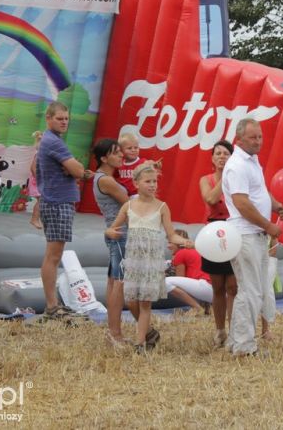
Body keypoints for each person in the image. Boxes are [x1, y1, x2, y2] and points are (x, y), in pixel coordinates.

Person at [106, 164, 193, 353]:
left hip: (151, 260)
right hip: (134, 260)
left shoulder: (162, 207)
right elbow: (112, 228)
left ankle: (140, 344)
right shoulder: (128, 206)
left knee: (145, 302)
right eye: (148, 181)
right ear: (136, 183)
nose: (152, 185)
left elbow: (171, 235)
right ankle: (149, 333)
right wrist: (111, 232)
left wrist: (185, 242)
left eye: (155, 181)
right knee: (131, 301)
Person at [222, 118, 283, 356]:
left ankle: (238, 340)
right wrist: (268, 225)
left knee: (254, 290)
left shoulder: (251, 162)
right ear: (239, 138)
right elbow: (242, 203)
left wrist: (275, 204)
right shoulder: (237, 164)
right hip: (246, 233)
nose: (258, 141)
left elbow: (258, 191)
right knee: (250, 290)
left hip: (254, 233)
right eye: (253, 137)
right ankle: (243, 344)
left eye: (260, 136)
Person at [37, 101, 94, 320]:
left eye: (66, 118)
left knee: (54, 255)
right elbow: (79, 171)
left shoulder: (49, 140)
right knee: (53, 256)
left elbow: (37, 168)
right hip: (57, 202)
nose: (64, 122)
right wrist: (76, 170)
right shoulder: (54, 142)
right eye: (59, 118)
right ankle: (52, 306)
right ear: (49, 118)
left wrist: (73, 169)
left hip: (54, 200)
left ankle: (52, 305)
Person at [92, 138, 132, 347]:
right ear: (104, 158)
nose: (120, 156)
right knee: (119, 283)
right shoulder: (106, 180)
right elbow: (129, 204)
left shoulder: (103, 178)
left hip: (116, 232)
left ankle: (113, 332)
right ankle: (114, 333)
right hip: (119, 233)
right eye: (116, 153)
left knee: (113, 282)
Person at [198, 140, 238, 347]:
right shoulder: (205, 179)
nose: (222, 156)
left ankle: (234, 331)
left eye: (226, 153)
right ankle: (219, 330)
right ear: (212, 159)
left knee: (233, 285)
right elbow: (211, 200)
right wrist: (225, 178)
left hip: (234, 230)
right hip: (214, 233)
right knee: (217, 286)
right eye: (218, 154)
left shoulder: (239, 178)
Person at [165, 229, 212, 313]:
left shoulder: (181, 254)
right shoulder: (195, 251)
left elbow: (180, 279)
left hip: (206, 288)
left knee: (165, 282)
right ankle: (204, 307)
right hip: (215, 290)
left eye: (170, 243)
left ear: (178, 243)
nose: (167, 246)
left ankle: (197, 308)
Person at [28, 130, 43, 229]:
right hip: (37, 181)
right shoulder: (39, 155)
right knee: (41, 200)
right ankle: (34, 219)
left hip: (39, 180)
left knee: (43, 201)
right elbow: (32, 168)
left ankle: (37, 218)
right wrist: (38, 179)